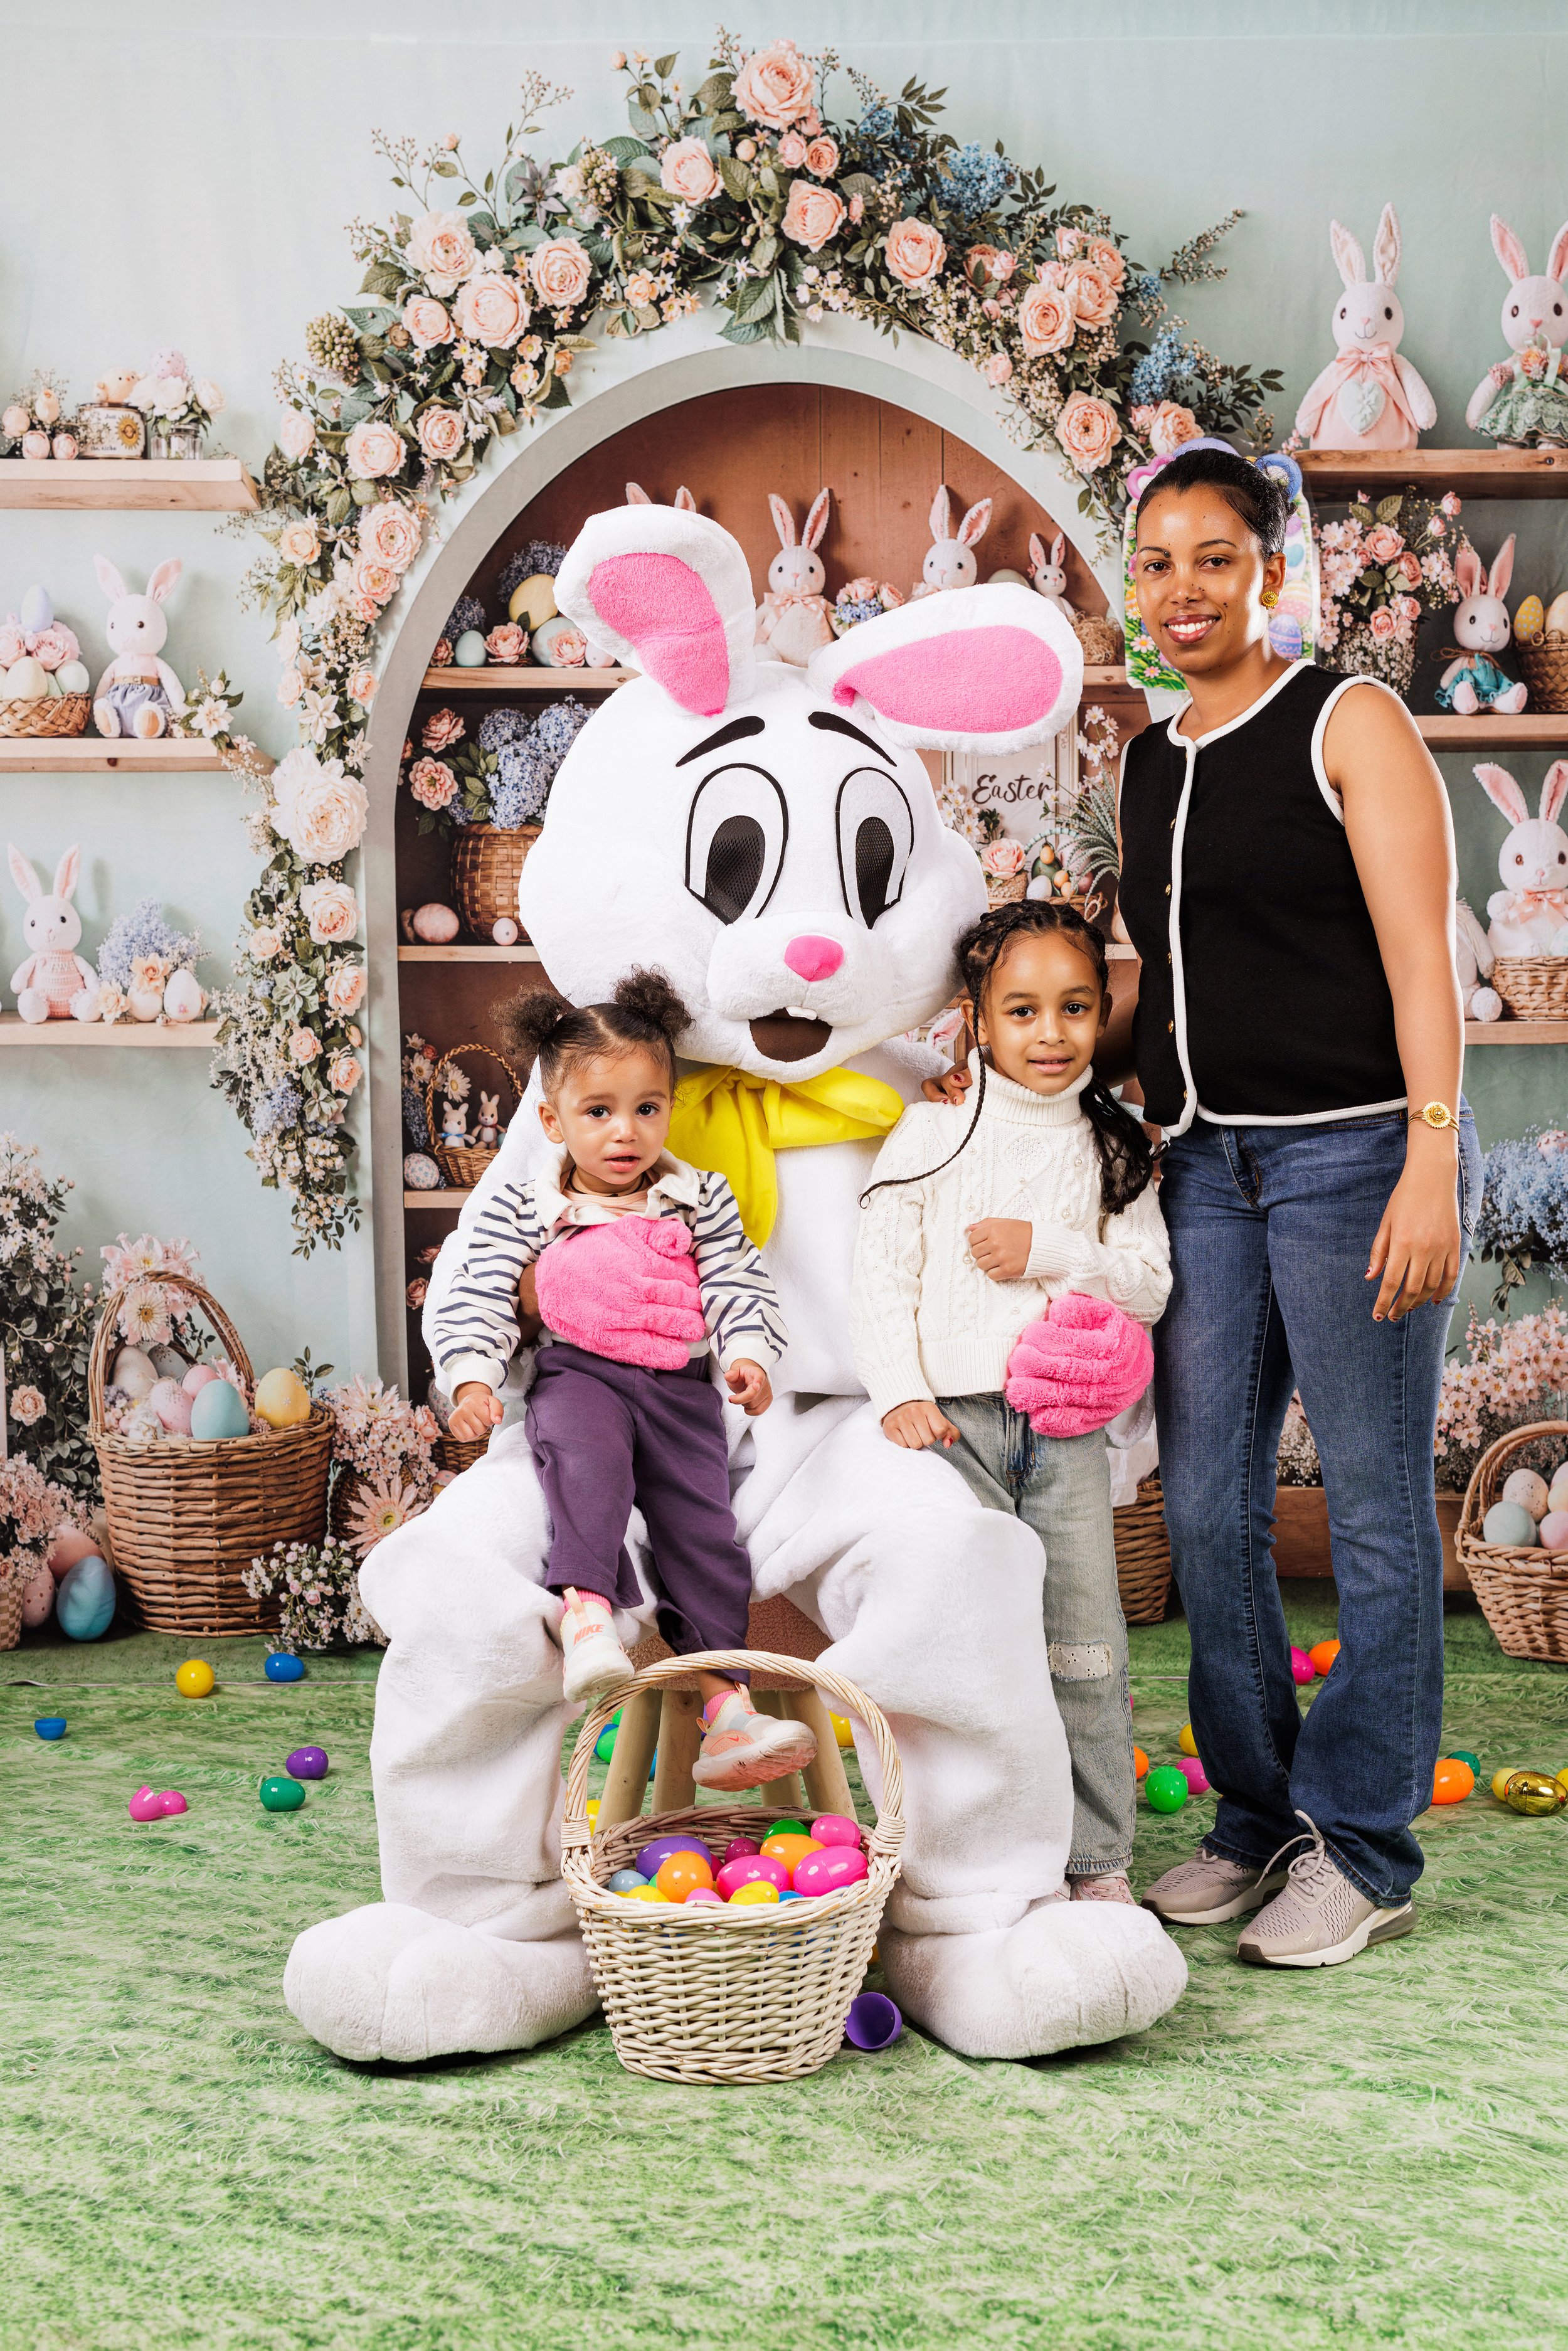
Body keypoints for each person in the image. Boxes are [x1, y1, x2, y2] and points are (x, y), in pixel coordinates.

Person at [1115, 444, 1480, 1965]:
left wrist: (1429, 1158)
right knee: (1206, 1509)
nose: (1182, 589)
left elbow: (1418, 959)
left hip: (1352, 1158)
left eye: (1213, 556)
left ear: (1268, 567)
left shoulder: (1348, 719)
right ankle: (1259, 1812)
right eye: (1155, 562)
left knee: (1375, 1514)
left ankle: (1364, 1846)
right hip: (1203, 1168)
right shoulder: (1146, 758)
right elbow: (1167, 974)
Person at [430, 967, 817, 1792]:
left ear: (669, 1109)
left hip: (681, 1390)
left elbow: (737, 1279)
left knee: (704, 1532)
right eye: (598, 1112)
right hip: (581, 1377)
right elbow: (479, 1288)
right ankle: (587, 1612)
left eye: (647, 1109)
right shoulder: (527, 1206)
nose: (625, 1133)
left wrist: (749, 1353)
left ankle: (727, 1706)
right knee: (588, 1466)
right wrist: (471, 1379)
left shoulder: (698, 1198)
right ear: (553, 1121)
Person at [852, 900, 1170, 1903]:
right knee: (972, 1649)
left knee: (1084, 1648)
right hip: (953, 1431)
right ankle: (979, 1858)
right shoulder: (933, 1128)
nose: (1050, 1033)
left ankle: (1097, 1861)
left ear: (1102, 1013)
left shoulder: (1115, 1144)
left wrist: (1053, 1252)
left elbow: (1149, 1285)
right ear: (977, 1020)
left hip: (1064, 1434)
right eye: (1021, 1011)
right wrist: (901, 1392)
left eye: (1074, 1008)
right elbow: (881, 1272)